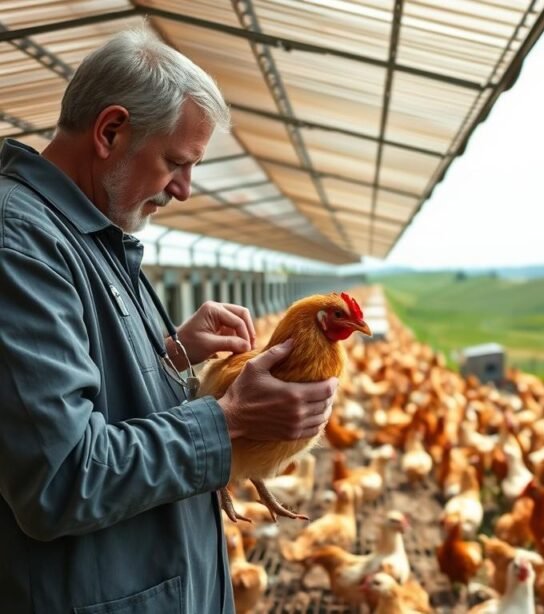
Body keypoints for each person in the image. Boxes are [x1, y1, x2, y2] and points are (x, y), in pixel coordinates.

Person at [0, 26, 337, 613]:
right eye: (176, 163)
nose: (183, 190)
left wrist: (172, 352)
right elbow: (60, 478)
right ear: (110, 131)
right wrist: (227, 420)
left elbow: (90, 392)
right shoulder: (20, 245)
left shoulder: (95, 234)